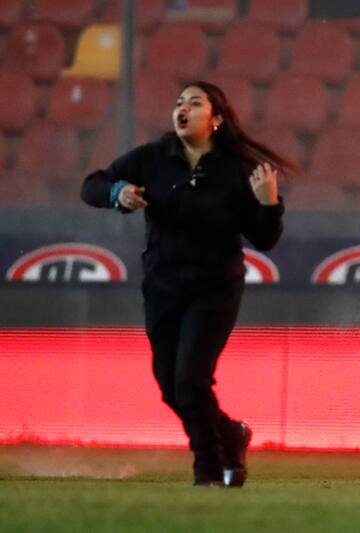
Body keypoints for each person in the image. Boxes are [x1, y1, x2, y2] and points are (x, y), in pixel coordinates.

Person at [81, 81, 298, 487]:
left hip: (215, 287)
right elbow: (91, 184)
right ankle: (231, 435)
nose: (182, 108)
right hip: (163, 285)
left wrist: (269, 203)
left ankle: (209, 470)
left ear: (215, 119)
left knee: (190, 380)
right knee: (171, 387)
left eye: (194, 102)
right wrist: (117, 192)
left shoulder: (239, 169)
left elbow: (265, 238)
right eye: (178, 101)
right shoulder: (152, 158)